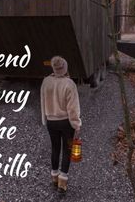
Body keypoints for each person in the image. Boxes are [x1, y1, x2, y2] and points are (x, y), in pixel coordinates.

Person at [40, 56, 82, 193]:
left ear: (54, 68)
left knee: (55, 148)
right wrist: (77, 125)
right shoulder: (69, 84)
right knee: (67, 149)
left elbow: (42, 102)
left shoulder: (46, 82)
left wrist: (44, 119)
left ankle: (54, 177)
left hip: (51, 122)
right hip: (66, 123)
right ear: (65, 68)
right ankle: (62, 182)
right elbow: (73, 108)